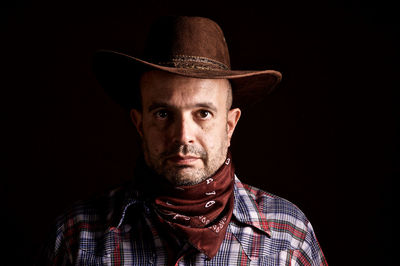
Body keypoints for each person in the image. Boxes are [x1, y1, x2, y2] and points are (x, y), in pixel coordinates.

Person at [39, 16, 327, 265]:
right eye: (163, 113)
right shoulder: (77, 235)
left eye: (203, 113)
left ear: (229, 124)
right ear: (139, 124)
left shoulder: (288, 235)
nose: (182, 135)